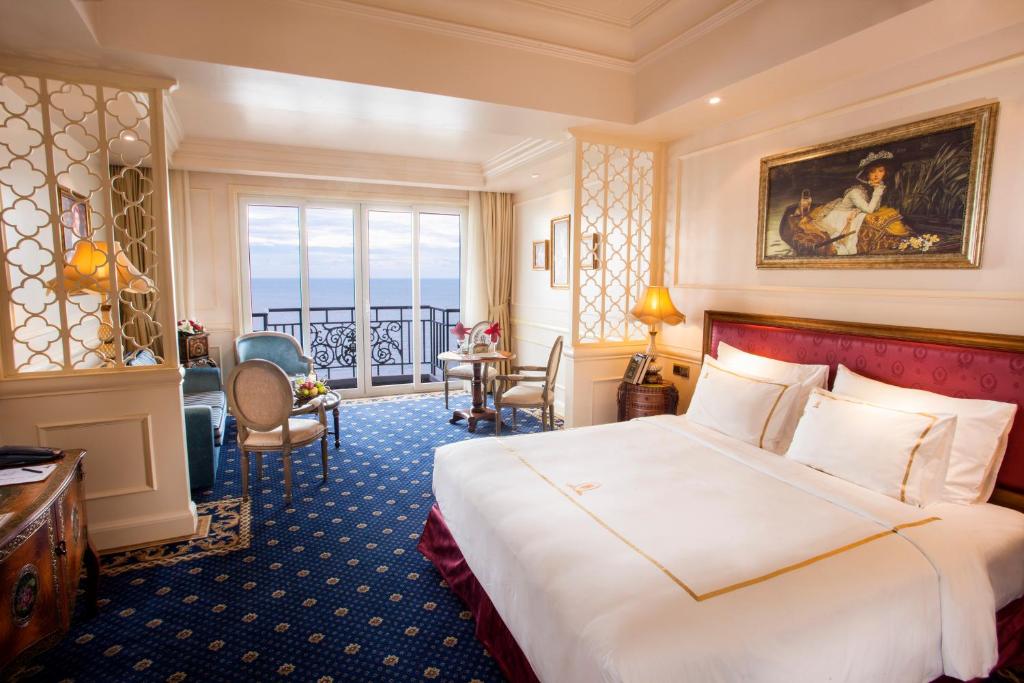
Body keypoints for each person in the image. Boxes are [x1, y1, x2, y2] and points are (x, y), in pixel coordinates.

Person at [813, 150, 896, 255]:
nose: (876, 175)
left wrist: (877, 190)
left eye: (880, 171)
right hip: (839, 218)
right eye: (872, 171)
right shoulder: (855, 192)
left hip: (850, 215)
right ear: (867, 174)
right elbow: (870, 210)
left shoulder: (872, 189)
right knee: (842, 247)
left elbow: (876, 208)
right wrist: (877, 191)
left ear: (885, 173)